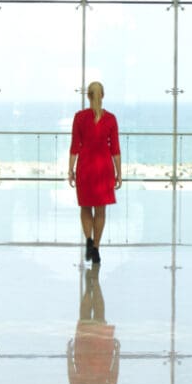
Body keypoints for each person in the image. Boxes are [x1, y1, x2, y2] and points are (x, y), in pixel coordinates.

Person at [69, 79, 120, 265]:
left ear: (88, 96)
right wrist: (119, 173)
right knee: (100, 211)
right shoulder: (111, 119)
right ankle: (96, 249)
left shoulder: (79, 117)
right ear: (103, 96)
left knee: (85, 207)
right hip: (104, 168)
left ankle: (89, 240)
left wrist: (70, 169)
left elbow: (75, 146)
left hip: (85, 167)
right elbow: (115, 149)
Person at [67, 265, 117, 384]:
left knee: (85, 317)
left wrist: (69, 356)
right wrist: (117, 354)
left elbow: (72, 381)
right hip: (102, 359)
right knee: (101, 315)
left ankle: (90, 286)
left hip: (83, 359)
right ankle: (94, 281)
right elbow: (113, 378)